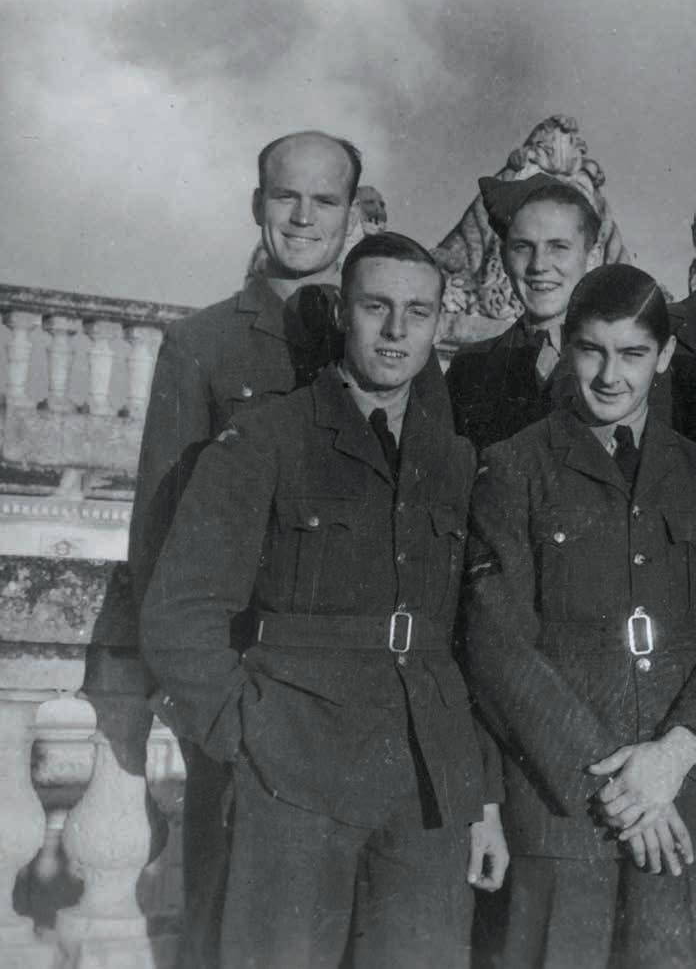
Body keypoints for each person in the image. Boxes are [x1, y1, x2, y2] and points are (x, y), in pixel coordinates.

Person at [140, 232, 508, 969]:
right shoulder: (268, 437)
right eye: (376, 307)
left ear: (439, 323)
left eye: (418, 312)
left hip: (427, 783)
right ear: (343, 313)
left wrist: (483, 795)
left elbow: (476, 643)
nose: (397, 330)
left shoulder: (455, 460)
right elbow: (179, 613)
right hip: (295, 771)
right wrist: (246, 734)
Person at [464, 263, 696, 968]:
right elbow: (497, 646)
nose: (610, 375)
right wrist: (617, 788)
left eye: (633, 353)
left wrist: (677, 752)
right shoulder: (514, 467)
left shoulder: (693, 470)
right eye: (592, 350)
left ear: (664, 355)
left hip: (679, 806)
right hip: (562, 810)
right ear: (567, 346)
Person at [445, 173, 672, 451]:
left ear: (592, 257)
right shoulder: (470, 369)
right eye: (523, 247)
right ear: (504, 259)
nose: (539, 265)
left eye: (558, 247)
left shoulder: (645, 364)